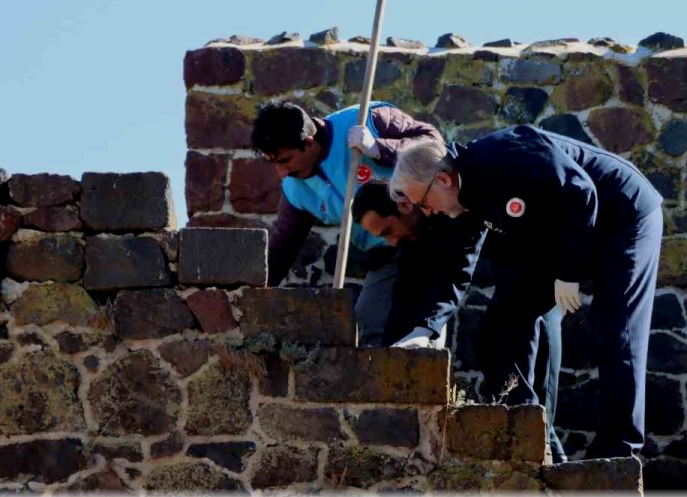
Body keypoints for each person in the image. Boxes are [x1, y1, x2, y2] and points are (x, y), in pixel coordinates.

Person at [388, 125, 662, 459]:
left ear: (443, 180)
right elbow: (456, 267)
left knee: (614, 328)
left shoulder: (507, 154)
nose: (428, 212)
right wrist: (425, 329)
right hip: (559, 235)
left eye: (424, 203)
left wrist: (568, 273)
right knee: (497, 334)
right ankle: (537, 442)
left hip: (621, 213)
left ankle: (618, 450)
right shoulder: (458, 201)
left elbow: (581, 191)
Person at [352, 180, 568, 463]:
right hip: (513, 283)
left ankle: (552, 464)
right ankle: (543, 458)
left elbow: (454, 278)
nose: (391, 241)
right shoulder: (415, 240)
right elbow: (405, 299)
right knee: (492, 353)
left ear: (405, 206)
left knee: (521, 374)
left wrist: (426, 329)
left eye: (389, 231)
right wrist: (390, 357)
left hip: (536, 273)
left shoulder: (451, 210)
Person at [250, 98, 442, 348]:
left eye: (284, 161)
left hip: (424, 235)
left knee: (424, 324)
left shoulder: (367, 120)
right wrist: (252, 297)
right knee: (368, 326)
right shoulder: (295, 191)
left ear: (308, 144)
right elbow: (281, 248)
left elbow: (433, 144)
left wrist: (380, 149)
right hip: (384, 255)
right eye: (274, 163)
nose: (281, 173)